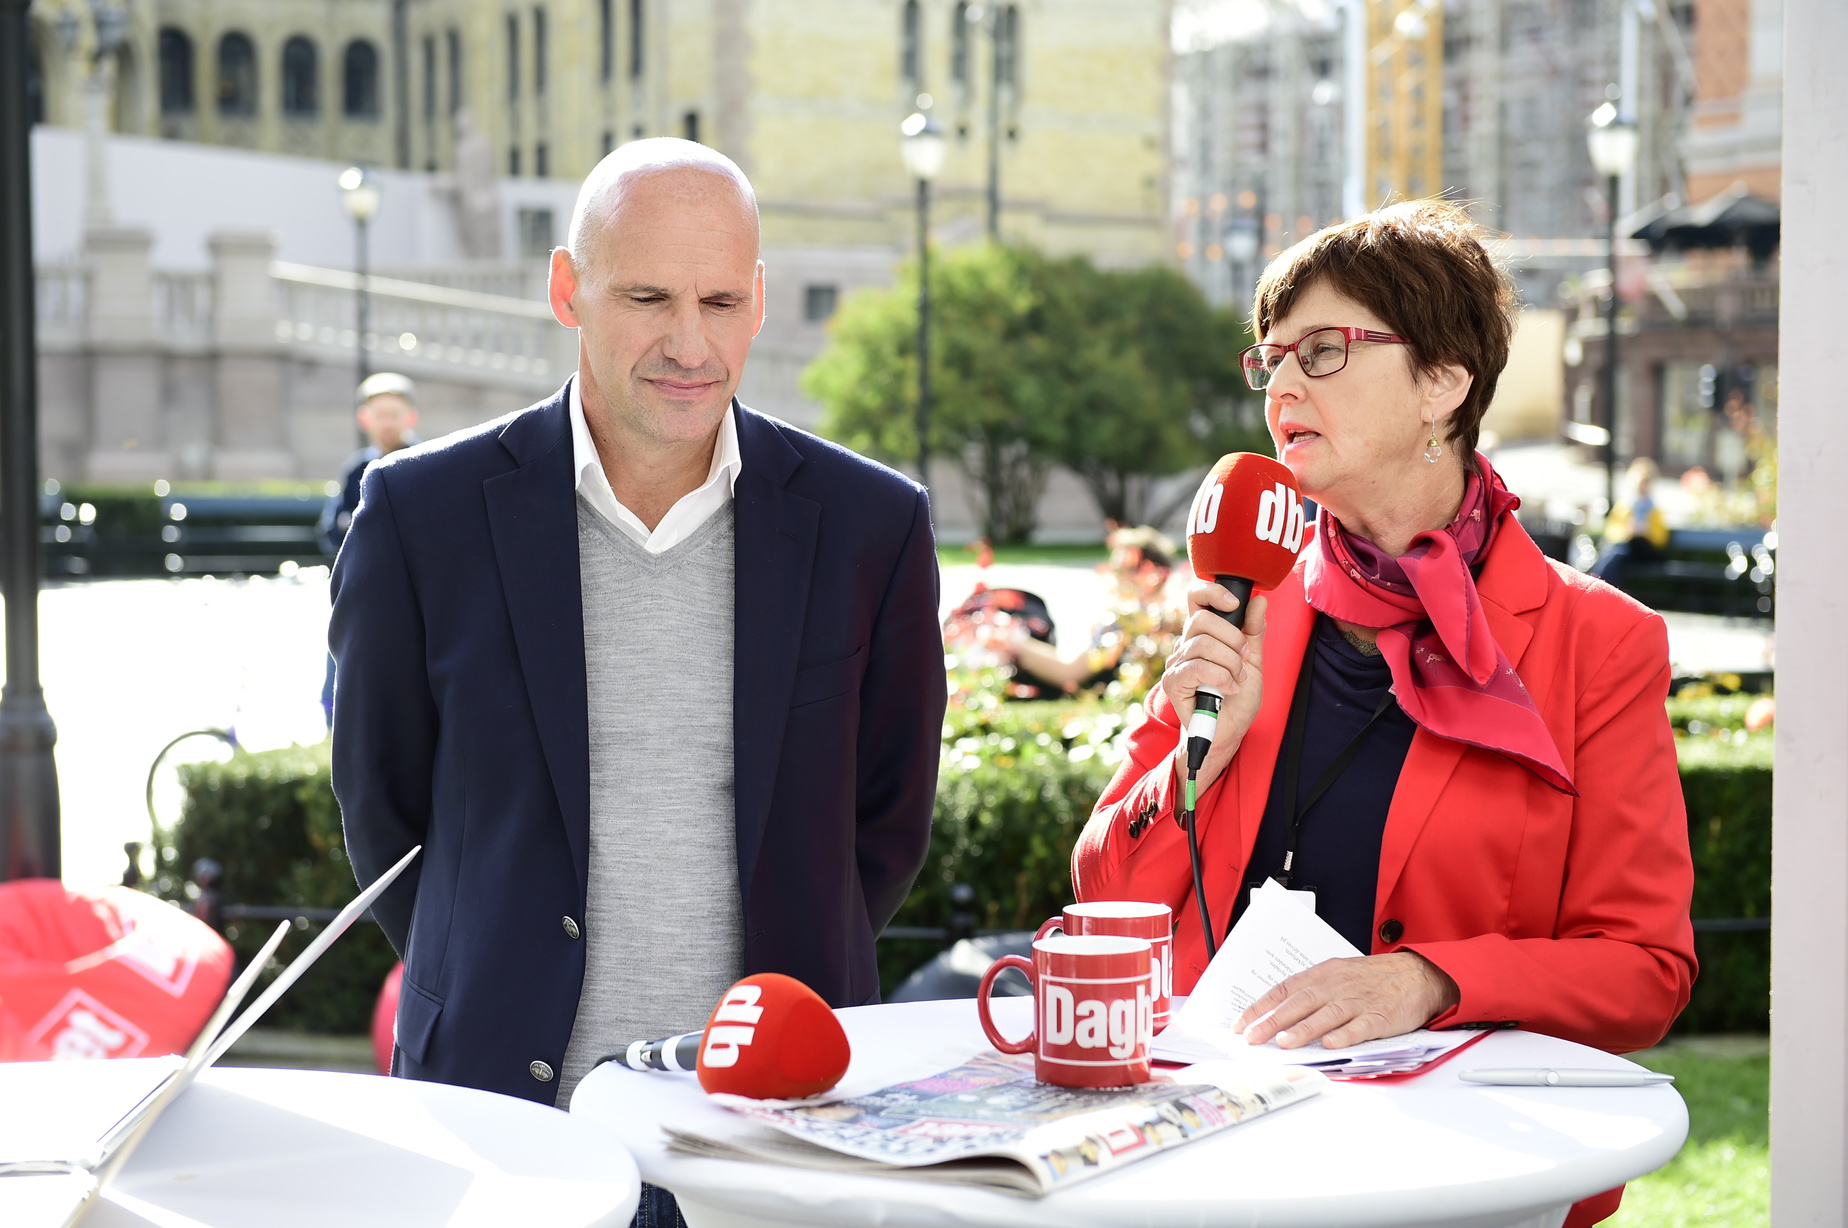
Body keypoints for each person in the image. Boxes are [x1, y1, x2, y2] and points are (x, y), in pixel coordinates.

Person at [330, 139, 945, 1225]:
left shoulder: (872, 526)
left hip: (778, 1135)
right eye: (648, 296)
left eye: (719, 299)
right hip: (508, 1126)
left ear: (758, 302)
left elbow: (884, 829)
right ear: (569, 289)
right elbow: (386, 813)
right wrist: (494, 964)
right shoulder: (418, 517)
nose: (689, 341)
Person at [1071, 201, 1694, 1228]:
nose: (1282, 386)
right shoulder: (1249, 599)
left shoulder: (1599, 642)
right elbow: (1104, 897)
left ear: (1444, 381)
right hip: (1211, 1156)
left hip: (1463, 1171)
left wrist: (1431, 979)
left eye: (1323, 352)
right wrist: (1196, 760)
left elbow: (1646, 969)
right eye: (1270, 360)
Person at [317, 373, 422, 724]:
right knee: (340, 660)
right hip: (363, 591)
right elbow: (332, 529)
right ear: (366, 419)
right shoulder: (356, 471)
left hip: (412, 593)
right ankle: (334, 726)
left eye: (395, 413)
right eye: (380, 414)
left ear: (410, 417)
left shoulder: (427, 463)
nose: (387, 423)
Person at [1590, 457, 1669, 589]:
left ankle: (1598, 582)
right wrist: (1628, 532)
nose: (1643, 486)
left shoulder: (1655, 510)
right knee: (1617, 552)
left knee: (1617, 553)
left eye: (1646, 482)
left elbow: (1661, 539)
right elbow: (1611, 531)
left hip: (1644, 551)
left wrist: (1644, 531)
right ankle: (1607, 587)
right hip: (1625, 549)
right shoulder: (1625, 506)